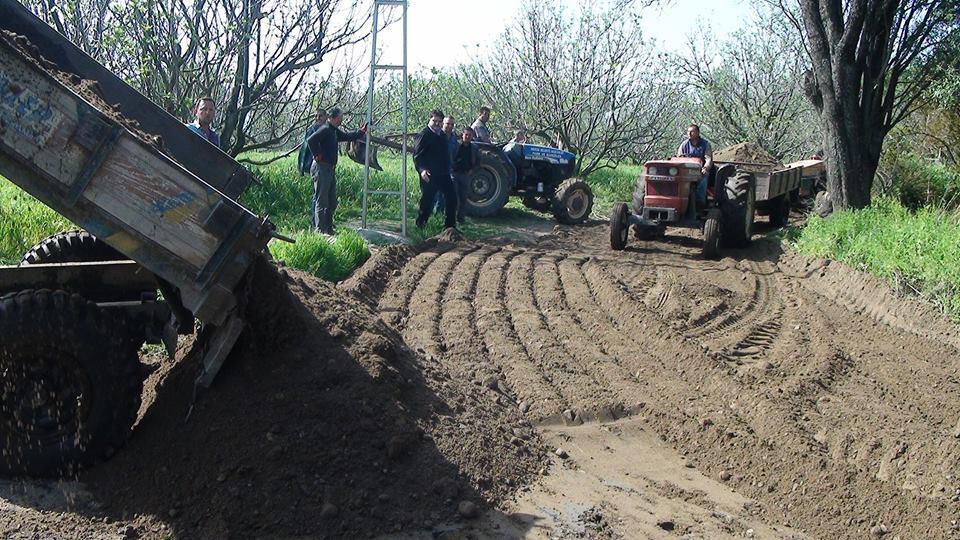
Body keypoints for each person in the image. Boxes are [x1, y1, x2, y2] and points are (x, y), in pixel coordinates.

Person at [305, 107, 367, 234]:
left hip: (329, 169)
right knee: (321, 200)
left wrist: (361, 132)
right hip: (321, 168)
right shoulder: (326, 129)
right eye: (340, 117)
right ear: (334, 118)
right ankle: (321, 231)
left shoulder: (333, 131)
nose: (341, 120)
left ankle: (328, 227)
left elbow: (346, 136)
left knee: (331, 201)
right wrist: (317, 155)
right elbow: (311, 140)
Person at [414, 109, 457, 229]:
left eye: (439, 122)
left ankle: (450, 227)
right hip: (429, 174)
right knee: (427, 200)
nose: (437, 124)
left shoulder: (442, 135)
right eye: (435, 121)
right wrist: (422, 170)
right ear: (430, 120)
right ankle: (421, 225)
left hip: (443, 174)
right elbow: (417, 156)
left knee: (452, 198)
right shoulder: (424, 135)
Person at [676, 123, 713, 209]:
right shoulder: (684, 145)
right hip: (685, 170)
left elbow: (708, 159)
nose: (689, 134)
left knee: (704, 177)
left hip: (699, 170)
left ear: (698, 132)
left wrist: (706, 168)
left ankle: (699, 202)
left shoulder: (705, 144)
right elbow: (678, 158)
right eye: (688, 132)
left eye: (692, 132)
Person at [452, 126, 478, 224]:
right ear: (462, 135)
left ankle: (461, 219)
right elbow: (450, 157)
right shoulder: (456, 146)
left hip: (465, 175)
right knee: (454, 197)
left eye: (470, 135)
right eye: (466, 134)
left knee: (463, 198)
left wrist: (473, 170)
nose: (467, 137)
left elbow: (478, 162)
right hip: (454, 174)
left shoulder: (474, 148)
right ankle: (451, 219)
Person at [434, 115, 458, 214]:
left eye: (452, 124)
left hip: (449, 170)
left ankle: (443, 217)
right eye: (448, 123)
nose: (450, 126)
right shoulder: (437, 136)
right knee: (438, 195)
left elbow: (455, 153)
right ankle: (435, 219)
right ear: (443, 124)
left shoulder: (454, 138)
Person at [298, 108, 328, 176]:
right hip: (313, 166)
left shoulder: (329, 129)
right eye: (315, 116)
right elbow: (304, 150)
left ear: (326, 117)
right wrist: (302, 168)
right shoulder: (312, 130)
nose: (317, 118)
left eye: (320, 116)